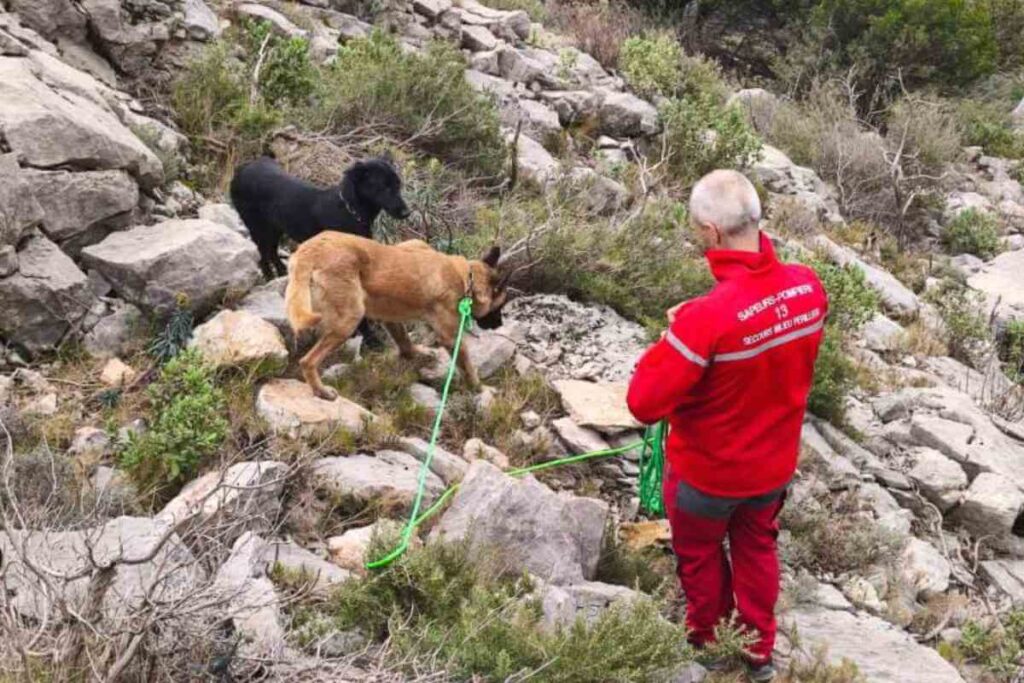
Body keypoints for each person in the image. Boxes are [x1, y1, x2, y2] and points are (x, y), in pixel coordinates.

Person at [626, 170, 828, 682]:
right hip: (773, 468)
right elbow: (762, 326)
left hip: (708, 476)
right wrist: (701, 315)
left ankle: (711, 643)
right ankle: (758, 651)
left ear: (712, 234)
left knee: (699, 555)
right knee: (757, 546)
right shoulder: (808, 288)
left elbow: (644, 404)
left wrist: (676, 336)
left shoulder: (706, 321)